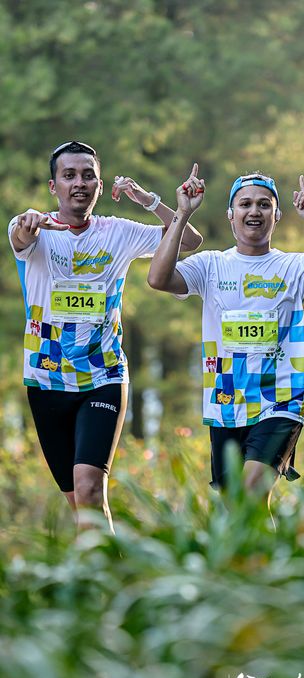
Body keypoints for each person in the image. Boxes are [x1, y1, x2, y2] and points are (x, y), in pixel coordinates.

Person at [8, 140, 202, 531]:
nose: (79, 183)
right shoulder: (36, 229)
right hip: (46, 379)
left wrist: (149, 200)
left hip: (104, 376)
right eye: (69, 176)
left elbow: (190, 241)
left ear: (99, 185)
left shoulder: (118, 232)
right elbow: (19, 235)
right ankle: (105, 567)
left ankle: (105, 568)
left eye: (88, 176)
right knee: (80, 506)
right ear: (54, 186)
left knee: (90, 490)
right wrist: (28, 223)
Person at [148, 164, 304, 503]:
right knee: (238, 509)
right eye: (245, 204)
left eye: (264, 204)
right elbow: (158, 278)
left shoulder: (294, 266)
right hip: (226, 402)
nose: (254, 211)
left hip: (281, 399)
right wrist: (182, 214)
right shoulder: (211, 265)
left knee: (250, 494)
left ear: (277, 215)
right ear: (231, 215)